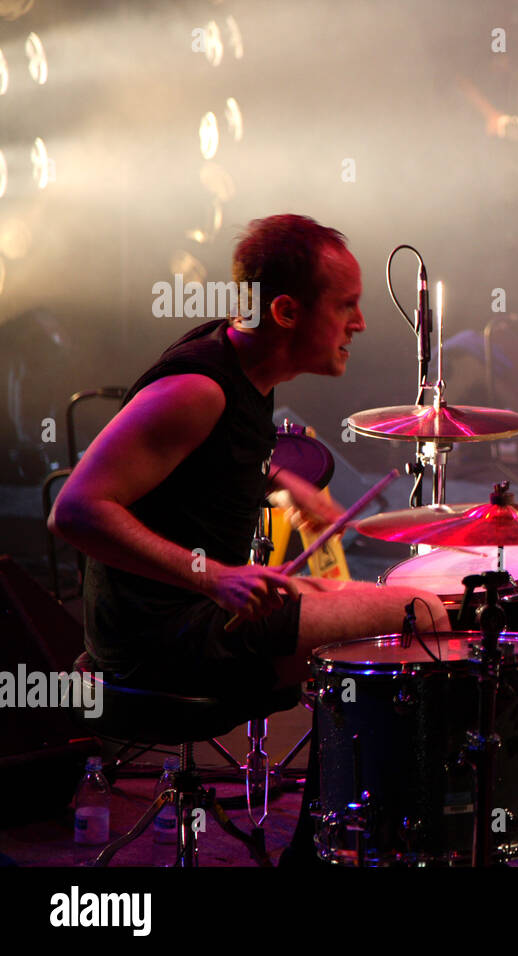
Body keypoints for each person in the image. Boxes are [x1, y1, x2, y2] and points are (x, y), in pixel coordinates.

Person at [48, 214, 450, 861]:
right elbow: (75, 511)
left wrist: (284, 483)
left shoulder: (243, 370)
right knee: (422, 616)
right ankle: (343, 845)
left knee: (376, 611)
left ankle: (332, 841)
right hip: (162, 637)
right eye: (346, 305)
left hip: (193, 612)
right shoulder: (197, 389)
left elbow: (205, 464)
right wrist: (215, 575)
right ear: (288, 310)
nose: (361, 323)